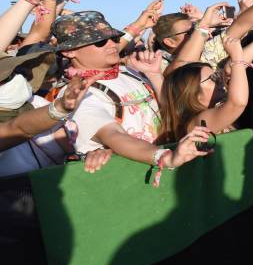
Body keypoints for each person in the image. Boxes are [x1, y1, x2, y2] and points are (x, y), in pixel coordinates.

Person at [55, 11, 212, 172]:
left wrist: (155, 75)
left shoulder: (130, 72)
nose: (112, 44)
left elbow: (171, 111)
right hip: (134, 179)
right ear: (69, 51)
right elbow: (114, 136)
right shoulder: (76, 94)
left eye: (114, 38)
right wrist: (165, 157)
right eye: (100, 42)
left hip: (170, 166)